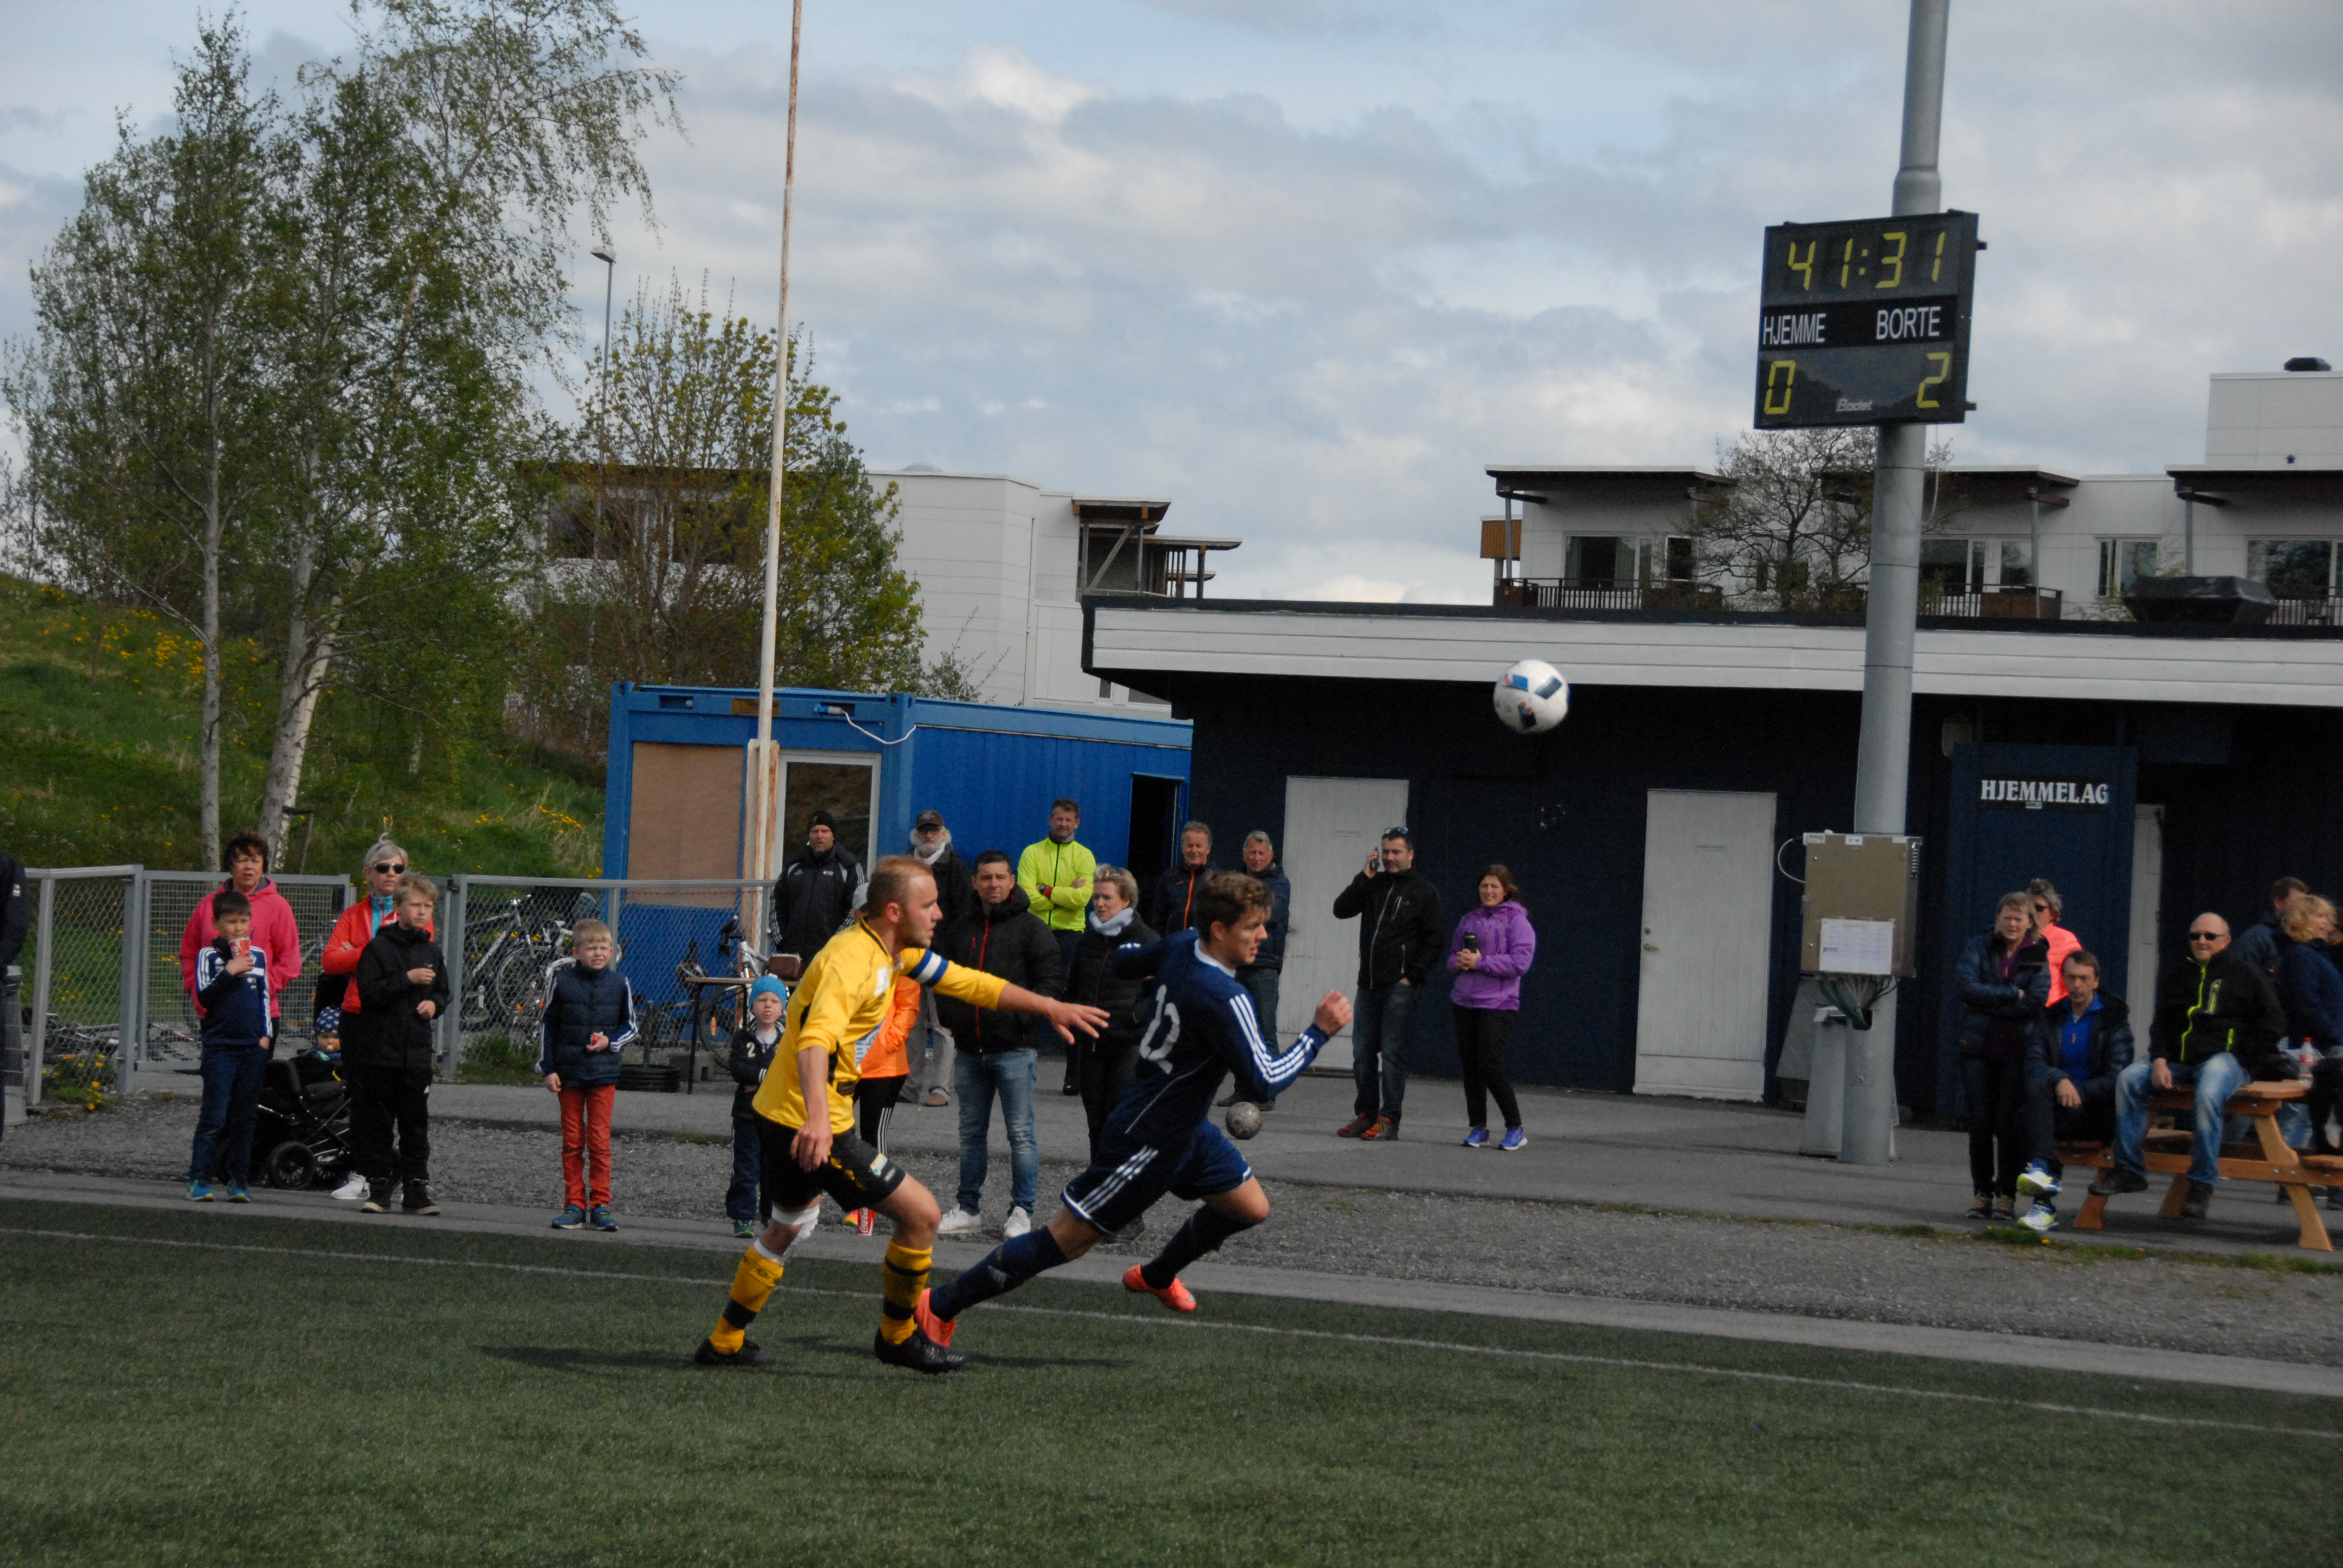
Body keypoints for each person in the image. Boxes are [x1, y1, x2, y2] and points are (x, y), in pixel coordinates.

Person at [690, 854, 1106, 1374]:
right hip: (811, 1120)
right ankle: (898, 1336)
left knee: (788, 1225)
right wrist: (818, 1120)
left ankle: (724, 1340)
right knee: (922, 1216)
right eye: (928, 905)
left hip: (784, 1112)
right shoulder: (852, 961)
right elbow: (815, 1040)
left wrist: (1048, 1006)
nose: (939, 914)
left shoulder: (892, 951)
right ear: (893, 911)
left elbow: (967, 981)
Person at [916, 872, 1351, 1347]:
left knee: (1250, 1207)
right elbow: (1265, 1078)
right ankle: (940, 1304)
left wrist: (1143, 960)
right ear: (1220, 930)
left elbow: (1126, 960)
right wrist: (1318, 1033)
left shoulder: (1183, 945)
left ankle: (1157, 1276)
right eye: (1253, 927)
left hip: (1186, 1128)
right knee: (1067, 1240)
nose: (1263, 936)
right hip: (1148, 1137)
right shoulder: (1225, 996)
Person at [2090, 912, 2288, 1220]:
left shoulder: (2247, 975)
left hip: (2224, 1060)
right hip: (2177, 1061)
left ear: (2226, 941)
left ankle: (2201, 1183)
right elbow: (2162, 1025)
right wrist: (2158, 1060)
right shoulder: (2178, 975)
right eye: (2195, 936)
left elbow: (2273, 1024)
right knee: (2129, 1079)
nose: (2201, 941)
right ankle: (2129, 1170)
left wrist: (2243, 1058)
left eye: (2209, 936)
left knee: (2208, 1093)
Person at [934, 851, 1064, 1239]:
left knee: (1020, 1135)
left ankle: (1022, 1212)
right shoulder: (960, 929)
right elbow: (942, 979)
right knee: (971, 1134)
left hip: (1014, 1050)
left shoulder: (1032, 929)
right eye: (986, 877)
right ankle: (968, 1209)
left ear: (1012, 882)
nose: (993, 884)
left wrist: (1022, 1020)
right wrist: (953, 1019)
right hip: (969, 1050)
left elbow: (1051, 981)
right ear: (975, 882)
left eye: (1000, 877)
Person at [320, 840, 421, 1198]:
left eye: (398, 868)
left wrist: (360, 953)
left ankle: (405, 1177)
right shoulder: (352, 915)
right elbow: (330, 961)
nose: (391, 874)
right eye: (383, 868)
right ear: (368, 874)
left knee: (399, 1103)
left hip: (398, 1018)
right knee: (361, 1099)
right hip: (358, 1014)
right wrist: (376, 954)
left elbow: (414, 960)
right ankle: (361, 1173)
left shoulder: (414, 912)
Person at [348, 873, 451, 1216]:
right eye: (416, 905)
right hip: (380, 1051)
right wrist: (406, 980)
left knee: (415, 1125)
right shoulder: (378, 948)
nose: (422, 912)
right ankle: (379, 1188)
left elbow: (443, 991)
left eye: (428, 906)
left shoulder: (431, 951)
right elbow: (369, 995)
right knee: (379, 1124)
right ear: (399, 907)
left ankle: (416, 1190)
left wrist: (434, 1005)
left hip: (416, 1053)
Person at [1331, 826, 1443, 1141]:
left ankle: (1389, 1119)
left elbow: (1435, 939)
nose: (1390, 857)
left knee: (1392, 1054)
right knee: (1362, 1053)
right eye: (1386, 852)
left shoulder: (1425, 892)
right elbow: (1341, 910)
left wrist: (1412, 976)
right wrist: (1363, 878)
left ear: (1410, 854)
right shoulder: (1373, 884)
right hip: (1368, 983)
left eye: (1396, 852)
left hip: (1400, 986)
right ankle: (1365, 1115)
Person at [2013, 950, 2129, 1233]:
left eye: (2084, 979)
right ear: (2063, 979)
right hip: (2054, 1103)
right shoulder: (2051, 1017)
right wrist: (2060, 1079)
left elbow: (2117, 1075)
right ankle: (2041, 1176)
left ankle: (2043, 1200)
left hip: (2095, 1110)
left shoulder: (2112, 1019)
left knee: (2031, 1119)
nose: (2076, 985)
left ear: (2096, 981)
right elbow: (2035, 1062)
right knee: (2033, 1099)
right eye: (2071, 978)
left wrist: (2080, 1092)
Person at [1953, 892, 2051, 1221]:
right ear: (1998, 919)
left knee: (2008, 1126)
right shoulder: (1979, 946)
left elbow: (2035, 1000)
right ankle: (1982, 1192)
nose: (2012, 924)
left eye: (2019, 919)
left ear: (2029, 922)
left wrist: (1990, 1003)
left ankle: (2007, 1196)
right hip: (1977, 1048)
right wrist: (2010, 993)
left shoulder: (2038, 954)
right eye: (2007, 917)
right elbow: (1966, 987)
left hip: (2016, 1051)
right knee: (1980, 1123)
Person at [537, 918, 637, 1233]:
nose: (599, 953)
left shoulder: (620, 983)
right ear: (577, 952)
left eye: (604, 948)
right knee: (572, 1141)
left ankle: (601, 1205)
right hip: (568, 1074)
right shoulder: (562, 982)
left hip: (603, 1074)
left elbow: (631, 1026)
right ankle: (574, 1205)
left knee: (599, 1141)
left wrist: (610, 1041)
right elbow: (548, 1024)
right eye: (592, 948)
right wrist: (549, 1068)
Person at [186, 889, 272, 1202]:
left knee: (245, 1118)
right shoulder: (208, 956)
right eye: (232, 922)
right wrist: (230, 971)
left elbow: (264, 996)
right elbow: (205, 996)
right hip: (220, 1047)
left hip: (252, 1047)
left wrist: (265, 1037)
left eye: (244, 921)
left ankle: (239, 1181)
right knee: (214, 1116)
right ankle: (199, 1179)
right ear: (217, 924)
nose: (238, 928)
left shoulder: (258, 956)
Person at [1069, 867, 1158, 1159]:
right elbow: (1074, 985)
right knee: (1095, 1123)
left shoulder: (1146, 940)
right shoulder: (1089, 939)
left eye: (1107, 898)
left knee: (1118, 1120)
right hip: (1091, 1045)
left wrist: (1134, 1016)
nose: (1099, 904)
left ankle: (1122, 1179)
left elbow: (1161, 991)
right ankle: (1098, 1177)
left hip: (1128, 1045)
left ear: (1127, 900)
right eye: (1096, 897)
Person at [176, 828, 301, 1033]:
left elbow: (290, 961)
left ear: (263, 867)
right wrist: (197, 990)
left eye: (255, 861)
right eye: (242, 860)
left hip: (259, 1013)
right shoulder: (209, 904)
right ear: (231, 865)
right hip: (214, 1011)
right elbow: (189, 953)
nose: (249, 867)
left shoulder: (278, 906)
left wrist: (260, 989)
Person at [1449, 864, 1537, 1151]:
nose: (1488, 891)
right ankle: (1479, 1127)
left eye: (1494, 887)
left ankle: (1516, 1128)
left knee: (1488, 1064)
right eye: (1484, 886)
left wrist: (1481, 962)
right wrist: (1460, 962)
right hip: (1464, 1001)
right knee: (1471, 1066)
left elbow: (1520, 963)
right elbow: (1452, 958)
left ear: (1506, 890)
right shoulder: (1469, 919)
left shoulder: (1517, 921)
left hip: (1498, 1003)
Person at [906, 808, 977, 1108]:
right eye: (924, 830)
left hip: (943, 958)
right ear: (915, 835)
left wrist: (954, 953)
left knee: (943, 1026)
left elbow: (965, 915)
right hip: (909, 958)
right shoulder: (903, 866)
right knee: (910, 1024)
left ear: (944, 834)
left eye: (934, 830)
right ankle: (910, 1086)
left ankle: (941, 1088)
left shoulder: (958, 868)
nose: (929, 835)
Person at [1217, 831, 1291, 1114]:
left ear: (1270, 855)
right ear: (1245, 854)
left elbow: (1270, 914)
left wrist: (1239, 910)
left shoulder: (1280, 883)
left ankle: (1266, 1091)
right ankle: (1242, 1089)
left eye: (1261, 853)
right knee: (1239, 1031)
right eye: (1252, 852)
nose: (1256, 858)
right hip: (1236, 964)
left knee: (1264, 1030)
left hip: (1264, 966)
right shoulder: (1237, 878)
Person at [841, 976, 919, 1233]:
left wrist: (888, 1042)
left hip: (885, 1068)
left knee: (874, 1137)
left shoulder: (900, 964)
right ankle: (858, 1201)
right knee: (836, 1133)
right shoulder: (854, 960)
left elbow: (908, 1005)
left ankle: (872, 1206)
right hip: (849, 1063)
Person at [2274, 895, 2342, 1164]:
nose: (2326, 922)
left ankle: (2295, 1172)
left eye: (2327, 917)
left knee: (2309, 1116)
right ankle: (2287, 1170)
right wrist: (2334, 1035)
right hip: (2312, 1047)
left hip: (2323, 1044)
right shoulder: (2301, 956)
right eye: (2319, 916)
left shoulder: (2318, 955)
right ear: (2302, 920)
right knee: (2299, 1115)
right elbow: (2306, 1005)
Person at [726, 977, 787, 1238]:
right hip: (747, 1114)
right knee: (746, 1166)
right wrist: (765, 1076)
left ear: (783, 1008)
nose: (768, 1006)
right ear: (752, 1006)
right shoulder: (743, 1037)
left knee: (774, 1167)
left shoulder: (788, 1040)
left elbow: (790, 1072)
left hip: (778, 1115)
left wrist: (760, 1079)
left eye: (774, 1001)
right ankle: (743, 1215)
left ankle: (771, 1215)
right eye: (762, 1000)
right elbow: (738, 1068)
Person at [772, 810, 866, 964]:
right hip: (794, 956)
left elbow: (858, 907)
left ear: (833, 835)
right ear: (809, 836)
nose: (819, 836)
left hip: (835, 958)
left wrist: (836, 944)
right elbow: (776, 905)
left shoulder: (849, 866)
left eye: (825, 831)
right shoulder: (794, 866)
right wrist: (783, 942)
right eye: (815, 831)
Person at [1018, 797, 1095, 976]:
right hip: (1035, 930)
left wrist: (1045, 890)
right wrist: (1066, 898)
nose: (1063, 824)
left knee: (1064, 985)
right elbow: (1026, 897)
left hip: (1070, 934)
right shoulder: (1032, 853)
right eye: (1059, 819)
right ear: (1050, 820)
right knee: (1031, 983)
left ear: (1077, 823)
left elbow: (1082, 899)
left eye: (1069, 820)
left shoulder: (1085, 856)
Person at [2232, 876, 2308, 978]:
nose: (2303, 910)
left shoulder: (2304, 938)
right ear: (2278, 904)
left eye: (2305, 905)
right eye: (2298, 904)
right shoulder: (2255, 938)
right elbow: (2239, 978)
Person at [1150, 822, 1216, 935]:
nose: (1194, 851)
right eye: (1190, 846)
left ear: (1208, 849)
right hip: (1173, 944)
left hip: (1205, 944)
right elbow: (1158, 919)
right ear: (1182, 848)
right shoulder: (1169, 877)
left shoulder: (1219, 880)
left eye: (1199, 846)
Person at [2027, 879, 2082, 1006]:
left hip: (2051, 1011)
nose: (2032, 913)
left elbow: (2076, 981)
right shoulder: (2017, 937)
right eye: (2029, 908)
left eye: (2039, 908)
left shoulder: (2066, 940)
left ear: (2053, 914)